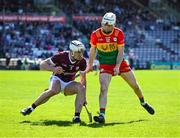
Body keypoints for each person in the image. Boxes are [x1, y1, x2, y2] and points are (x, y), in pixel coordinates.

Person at [86, 12, 155, 124]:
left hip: (120, 62)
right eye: (105, 24)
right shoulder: (95, 34)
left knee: (135, 86)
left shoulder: (119, 33)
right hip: (105, 64)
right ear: (102, 23)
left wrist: (118, 66)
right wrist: (89, 65)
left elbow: (121, 51)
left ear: (114, 25)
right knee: (103, 88)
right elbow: (93, 50)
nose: (107, 27)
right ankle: (102, 115)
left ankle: (143, 102)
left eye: (110, 25)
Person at [20, 40, 87, 123]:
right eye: (78, 52)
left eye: (82, 52)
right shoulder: (61, 56)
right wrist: (53, 69)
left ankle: (76, 117)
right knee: (54, 90)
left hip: (69, 84)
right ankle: (30, 108)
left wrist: (84, 96)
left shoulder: (83, 62)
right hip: (57, 79)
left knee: (81, 87)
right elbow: (42, 65)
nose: (81, 54)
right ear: (72, 52)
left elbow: (83, 79)